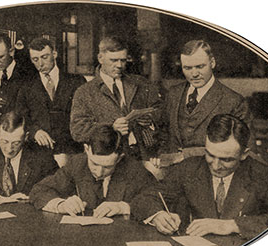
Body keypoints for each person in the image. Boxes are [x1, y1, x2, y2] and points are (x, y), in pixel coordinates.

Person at [152, 114, 268, 240]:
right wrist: (158, 215)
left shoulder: (261, 174)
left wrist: (233, 225)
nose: (215, 166)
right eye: (210, 155)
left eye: (226, 159)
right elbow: (147, 196)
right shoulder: (189, 168)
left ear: (244, 154)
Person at [30, 125, 164, 220]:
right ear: (87, 150)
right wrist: (61, 205)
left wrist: (123, 207)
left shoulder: (134, 170)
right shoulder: (77, 164)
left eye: (107, 167)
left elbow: (159, 198)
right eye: (94, 164)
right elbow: (39, 190)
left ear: (120, 158)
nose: (99, 172)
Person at [70, 36, 166, 162]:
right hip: (109, 159)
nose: (119, 65)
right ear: (100, 58)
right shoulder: (85, 92)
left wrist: (151, 119)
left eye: (123, 60)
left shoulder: (141, 84)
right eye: (113, 60)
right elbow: (77, 130)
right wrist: (111, 127)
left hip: (144, 156)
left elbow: (161, 112)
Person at [165, 40, 248, 154]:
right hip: (174, 170)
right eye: (187, 68)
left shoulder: (234, 102)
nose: (194, 74)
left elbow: (242, 151)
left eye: (200, 66)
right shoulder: (173, 94)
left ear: (212, 63)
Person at [16, 37, 87, 167]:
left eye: (44, 57)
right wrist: (34, 132)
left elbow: (86, 116)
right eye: (35, 59)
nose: (40, 64)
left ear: (54, 54)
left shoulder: (77, 81)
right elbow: (20, 117)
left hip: (72, 151)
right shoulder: (26, 87)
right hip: (40, 154)